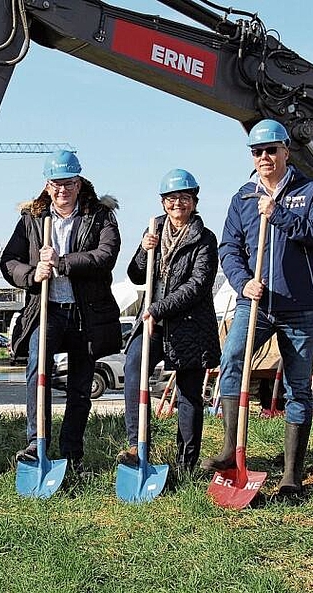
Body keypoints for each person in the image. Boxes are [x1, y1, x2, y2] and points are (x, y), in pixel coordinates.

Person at [201, 119, 313, 494]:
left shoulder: (311, 191)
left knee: (298, 386)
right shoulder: (243, 198)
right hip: (256, 305)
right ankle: (231, 449)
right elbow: (228, 248)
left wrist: (278, 213)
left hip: (300, 307)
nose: (264, 157)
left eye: (270, 150)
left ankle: (292, 476)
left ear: (285, 152)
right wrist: (243, 281)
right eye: (257, 152)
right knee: (231, 361)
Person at [0, 150, 121, 473]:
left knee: (81, 385)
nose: (62, 190)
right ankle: (35, 443)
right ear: (47, 185)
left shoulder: (100, 216)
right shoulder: (32, 218)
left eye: (68, 183)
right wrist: (31, 273)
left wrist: (62, 263)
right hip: (47, 309)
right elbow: (8, 262)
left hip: (86, 312)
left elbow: (105, 255)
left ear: (79, 183)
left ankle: (71, 453)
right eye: (56, 184)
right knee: (37, 370)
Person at [116, 169, 221, 474]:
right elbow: (136, 276)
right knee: (134, 365)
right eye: (172, 198)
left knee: (189, 394)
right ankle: (137, 445)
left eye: (184, 198)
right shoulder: (155, 229)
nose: (178, 204)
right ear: (163, 202)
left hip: (189, 325)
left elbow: (198, 285)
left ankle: (186, 464)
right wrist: (142, 250)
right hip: (152, 323)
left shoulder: (204, 238)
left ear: (194, 201)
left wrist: (159, 308)